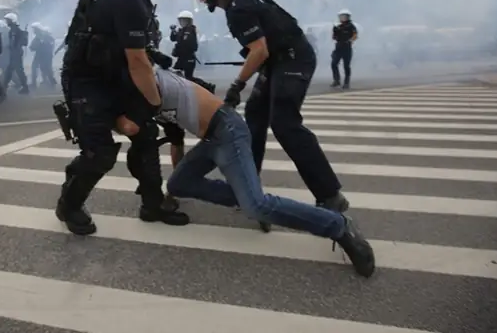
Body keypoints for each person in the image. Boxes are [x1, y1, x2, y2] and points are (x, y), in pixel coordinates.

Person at [116, 68, 375, 278]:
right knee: (179, 183)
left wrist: (108, 117)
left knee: (256, 206)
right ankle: (250, 195)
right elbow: (176, 142)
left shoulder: (150, 82)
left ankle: (339, 226)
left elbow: (129, 124)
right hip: (209, 141)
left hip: (228, 132)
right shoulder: (145, 99)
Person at [55, 0, 189, 235]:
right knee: (99, 152)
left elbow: (117, 44)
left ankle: (152, 203)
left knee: (145, 134)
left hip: (111, 77)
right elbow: (137, 61)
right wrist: (155, 102)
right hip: (88, 82)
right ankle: (69, 204)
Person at [187, 0, 348, 213]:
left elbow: (258, 50)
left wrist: (237, 85)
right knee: (254, 120)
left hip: (293, 59)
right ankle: (247, 187)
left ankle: (329, 194)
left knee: (285, 124)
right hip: (278, 62)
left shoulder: (237, 8)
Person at [331, 9, 357, 89]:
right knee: (334, 64)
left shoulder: (351, 26)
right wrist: (335, 32)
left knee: (346, 66)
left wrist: (350, 40)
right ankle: (336, 80)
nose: (342, 18)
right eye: (341, 16)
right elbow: (334, 37)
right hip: (338, 48)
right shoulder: (337, 26)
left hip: (347, 48)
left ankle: (346, 83)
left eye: (344, 16)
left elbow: (355, 35)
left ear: (348, 17)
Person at [169, 10, 198, 79]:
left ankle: (207, 86)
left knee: (189, 78)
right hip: (182, 58)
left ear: (188, 21)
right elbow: (173, 38)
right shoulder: (182, 31)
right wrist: (173, 31)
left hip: (188, 58)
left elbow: (187, 44)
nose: (181, 22)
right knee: (174, 74)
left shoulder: (190, 31)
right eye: (181, 20)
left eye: (184, 20)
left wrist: (177, 50)